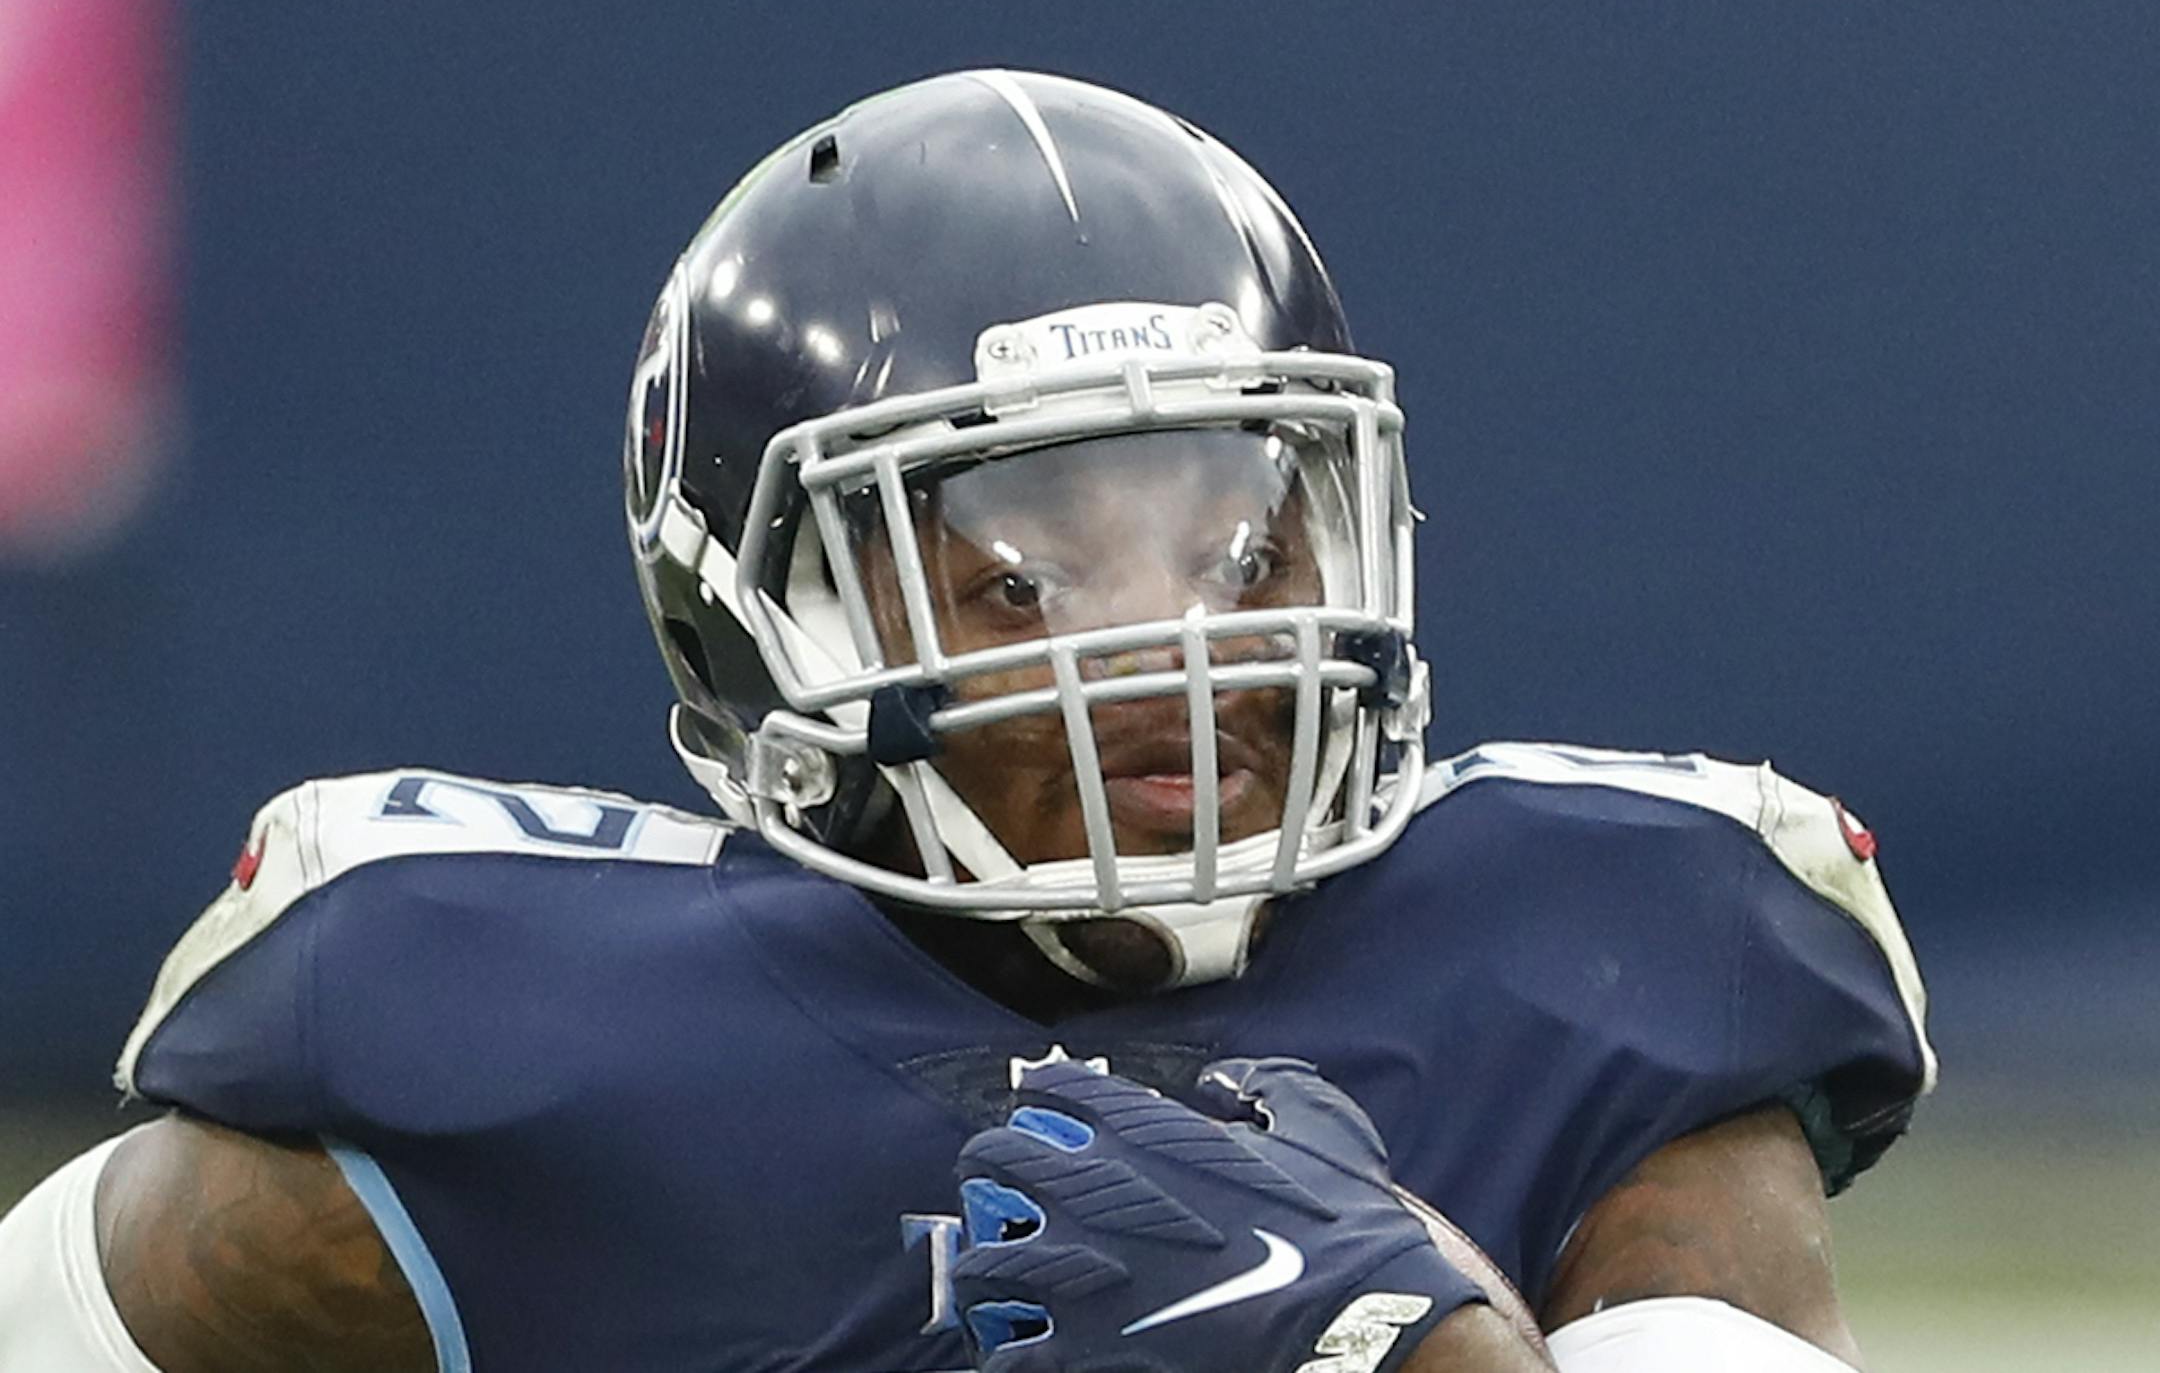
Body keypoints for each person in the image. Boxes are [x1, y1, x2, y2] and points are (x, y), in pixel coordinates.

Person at [0, 70, 1932, 1373]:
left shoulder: (1596, 973)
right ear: (746, 611)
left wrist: (1399, 1333)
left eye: (1245, 540)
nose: (1180, 646)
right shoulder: (509, 1047)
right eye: (1028, 572)